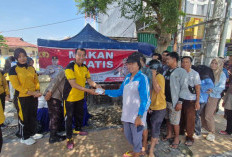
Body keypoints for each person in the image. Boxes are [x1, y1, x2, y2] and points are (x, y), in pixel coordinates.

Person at [104, 52, 151, 157]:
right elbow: (119, 92)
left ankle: (137, 153)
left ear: (138, 64)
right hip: (127, 115)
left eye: (132, 64)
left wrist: (140, 116)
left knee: (137, 139)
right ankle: (136, 151)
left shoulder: (142, 78)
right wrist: (104, 91)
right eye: (128, 64)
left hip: (137, 116)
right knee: (128, 136)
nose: (129, 66)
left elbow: (146, 99)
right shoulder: (127, 78)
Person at [64, 48, 100, 150]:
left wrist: (97, 86)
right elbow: (73, 84)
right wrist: (89, 91)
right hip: (70, 98)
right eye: (79, 55)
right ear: (75, 55)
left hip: (80, 97)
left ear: (85, 56)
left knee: (79, 115)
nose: (81, 57)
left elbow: (89, 80)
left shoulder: (85, 67)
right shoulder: (70, 67)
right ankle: (69, 138)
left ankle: (77, 129)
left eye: (83, 55)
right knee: (69, 118)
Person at [9, 48, 43, 145]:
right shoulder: (13, 69)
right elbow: (16, 86)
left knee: (32, 115)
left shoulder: (31, 68)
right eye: (19, 57)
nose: (22, 58)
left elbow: (36, 81)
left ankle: (32, 133)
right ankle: (24, 137)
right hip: (21, 97)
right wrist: (32, 93)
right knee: (24, 117)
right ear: (16, 58)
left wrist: (37, 90)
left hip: (33, 96)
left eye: (24, 56)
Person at [162, 52, 188, 149]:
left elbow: (184, 88)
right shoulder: (166, 71)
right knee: (168, 119)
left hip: (175, 102)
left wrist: (180, 102)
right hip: (165, 101)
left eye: (168, 59)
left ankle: (176, 138)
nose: (166, 60)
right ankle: (169, 134)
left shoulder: (181, 72)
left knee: (175, 121)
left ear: (174, 60)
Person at [201, 58, 226, 142]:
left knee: (208, 115)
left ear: (219, 65)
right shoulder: (208, 72)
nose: (213, 65)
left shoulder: (221, 74)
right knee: (203, 112)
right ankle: (205, 128)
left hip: (213, 96)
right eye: (212, 63)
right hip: (205, 95)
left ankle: (212, 132)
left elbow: (222, 87)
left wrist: (212, 89)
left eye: (216, 63)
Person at [180, 56, 201, 146]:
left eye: (187, 62)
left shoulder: (195, 74)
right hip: (180, 99)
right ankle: (180, 133)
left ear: (190, 63)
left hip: (190, 100)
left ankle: (190, 137)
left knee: (190, 119)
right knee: (181, 118)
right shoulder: (179, 72)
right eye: (183, 62)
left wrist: (197, 101)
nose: (184, 64)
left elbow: (197, 88)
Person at [148, 60, 166, 157]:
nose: (150, 70)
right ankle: (155, 140)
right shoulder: (152, 77)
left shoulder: (160, 77)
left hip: (159, 107)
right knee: (153, 126)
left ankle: (151, 151)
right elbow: (150, 91)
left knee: (155, 127)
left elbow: (157, 89)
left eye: (151, 68)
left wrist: (154, 75)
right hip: (153, 106)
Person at [44, 70, 66, 144]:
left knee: (57, 115)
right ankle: (53, 137)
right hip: (53, 95)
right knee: (54, 116)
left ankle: (56, 132)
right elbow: (55, 81)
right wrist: (49, 92)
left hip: (57, 96)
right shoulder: (64, 72)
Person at [192, 65, 214, 138]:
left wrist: (200, 87)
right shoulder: (198, 77)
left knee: (196, 115)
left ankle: (197, 132)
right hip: (197, 98)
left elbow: (210, 85)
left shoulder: (206, 78)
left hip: (201, 100)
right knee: (195, 115)